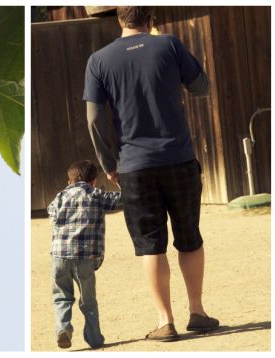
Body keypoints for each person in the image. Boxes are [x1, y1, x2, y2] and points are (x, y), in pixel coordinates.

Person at [83, 6, 219, 342]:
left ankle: (165, 321)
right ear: (152, 20)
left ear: (119, 21)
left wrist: (108, 164)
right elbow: (202, 87)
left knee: (149, 246)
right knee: (189, 237)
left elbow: (93, 119)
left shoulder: (98, 61)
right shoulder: (170, 45)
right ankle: (197, 312)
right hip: (179, 158)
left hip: (133, 166)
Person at [47, 160, 122, 349]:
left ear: (69, 180)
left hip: (59, 257)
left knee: (61, 297)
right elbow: (121, 200)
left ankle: (63, 329)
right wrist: (120, 182)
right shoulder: (96, 195)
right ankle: (94, 339)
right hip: (85, 258)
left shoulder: (60, 196)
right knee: (88, 301)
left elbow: (51, 212)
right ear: (94, 181)